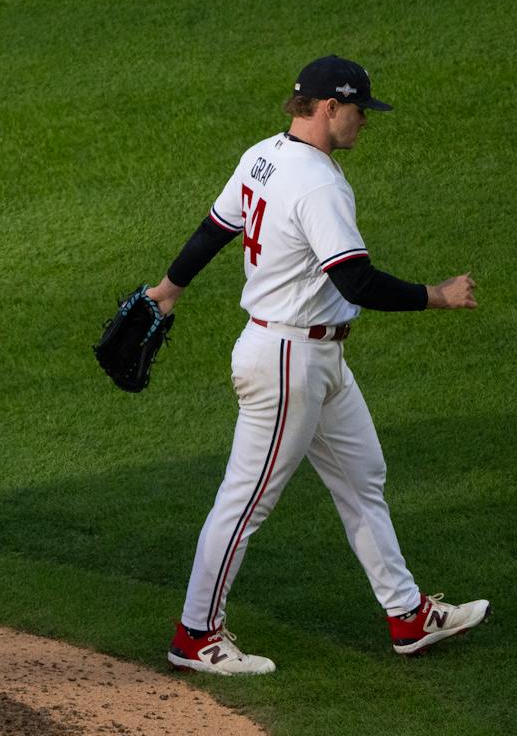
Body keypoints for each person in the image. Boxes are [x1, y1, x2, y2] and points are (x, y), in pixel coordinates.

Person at [147, 55, 489, 676]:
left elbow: (214, 229)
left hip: (313, 354)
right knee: (245, 502)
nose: (365, 123)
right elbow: (354, 279)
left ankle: (408, 614)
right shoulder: (320, 183)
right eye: (360, 110)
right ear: (330, 107)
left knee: (363, 478)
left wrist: (168, 289)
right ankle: (197, 633)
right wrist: (436, 295)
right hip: (288, 362)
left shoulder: (263, 154)